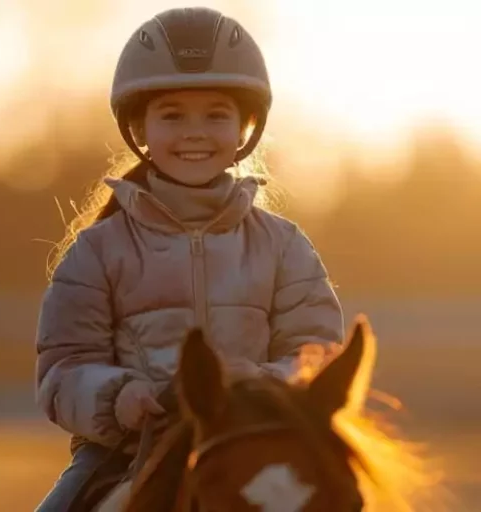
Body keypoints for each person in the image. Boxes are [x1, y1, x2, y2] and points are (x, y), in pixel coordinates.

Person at [33, 6, 344, 511]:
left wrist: (256, 389)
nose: (194, 132)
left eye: (216, 115)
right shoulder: (96, 250)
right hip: (127, 451)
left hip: (257, 444)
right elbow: (63, 367)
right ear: (141, 128)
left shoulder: (285, 246)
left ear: (245, 128)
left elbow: (316, 352)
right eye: (172, 115)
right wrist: (118, 397)